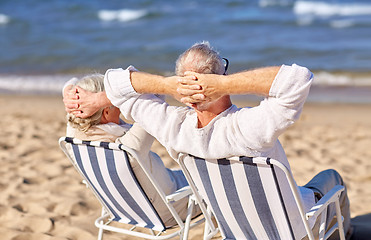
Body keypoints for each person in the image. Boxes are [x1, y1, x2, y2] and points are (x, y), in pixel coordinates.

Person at [65, 42, 352, 240]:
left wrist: (168, 86)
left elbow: (117, 84)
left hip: (236, 230)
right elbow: (297, 79)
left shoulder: (173, 127)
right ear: (221, 76)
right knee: (331, 179)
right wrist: (225, 85)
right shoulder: (249, 128)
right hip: (292, 231)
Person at [63, 74, 200, 227]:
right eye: (115, 104)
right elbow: (155, 97)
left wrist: (73, 95)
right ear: (106, 112)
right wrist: (108, 97)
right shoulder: (128, 148)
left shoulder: (72, 141)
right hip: (172, 208)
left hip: (127, 210)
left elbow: (70, 83)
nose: (121, 109)